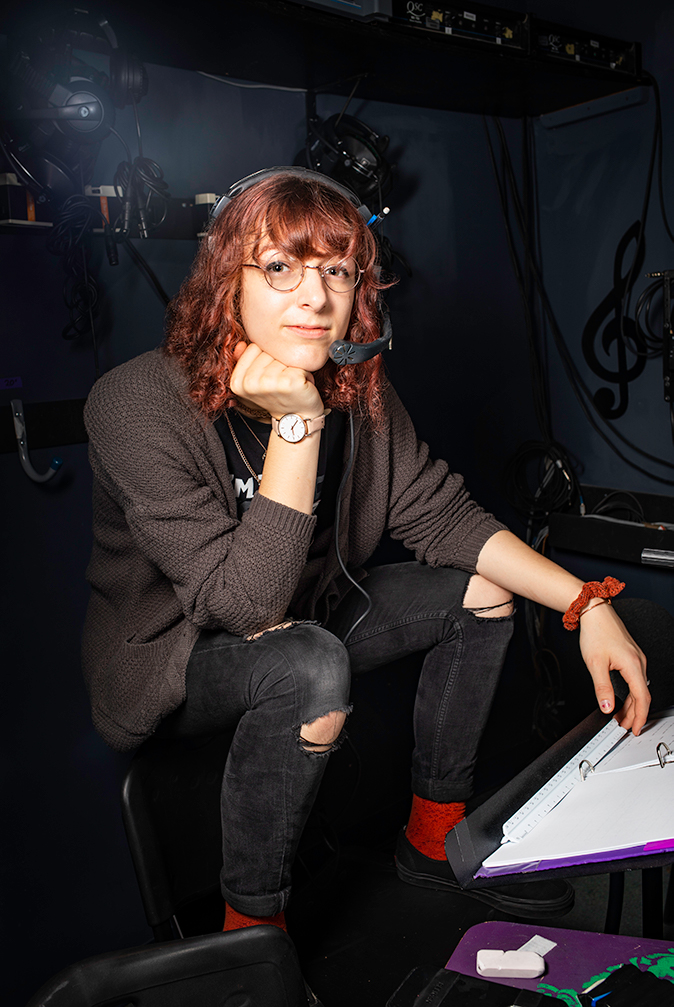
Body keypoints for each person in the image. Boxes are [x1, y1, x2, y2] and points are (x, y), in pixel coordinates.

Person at [82, 167, 650, 933]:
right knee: (310, 663)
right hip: (183, 653)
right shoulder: (135, 402)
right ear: (228, 281)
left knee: (484, 595)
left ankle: (430, 839)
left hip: (308, 616)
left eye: (338, 272)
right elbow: (242, 608)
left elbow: (446, 516)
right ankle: (248, 938)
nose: (314, 299)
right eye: (280, 267)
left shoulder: (359, 392)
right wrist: (295, 424)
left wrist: (588, 607)